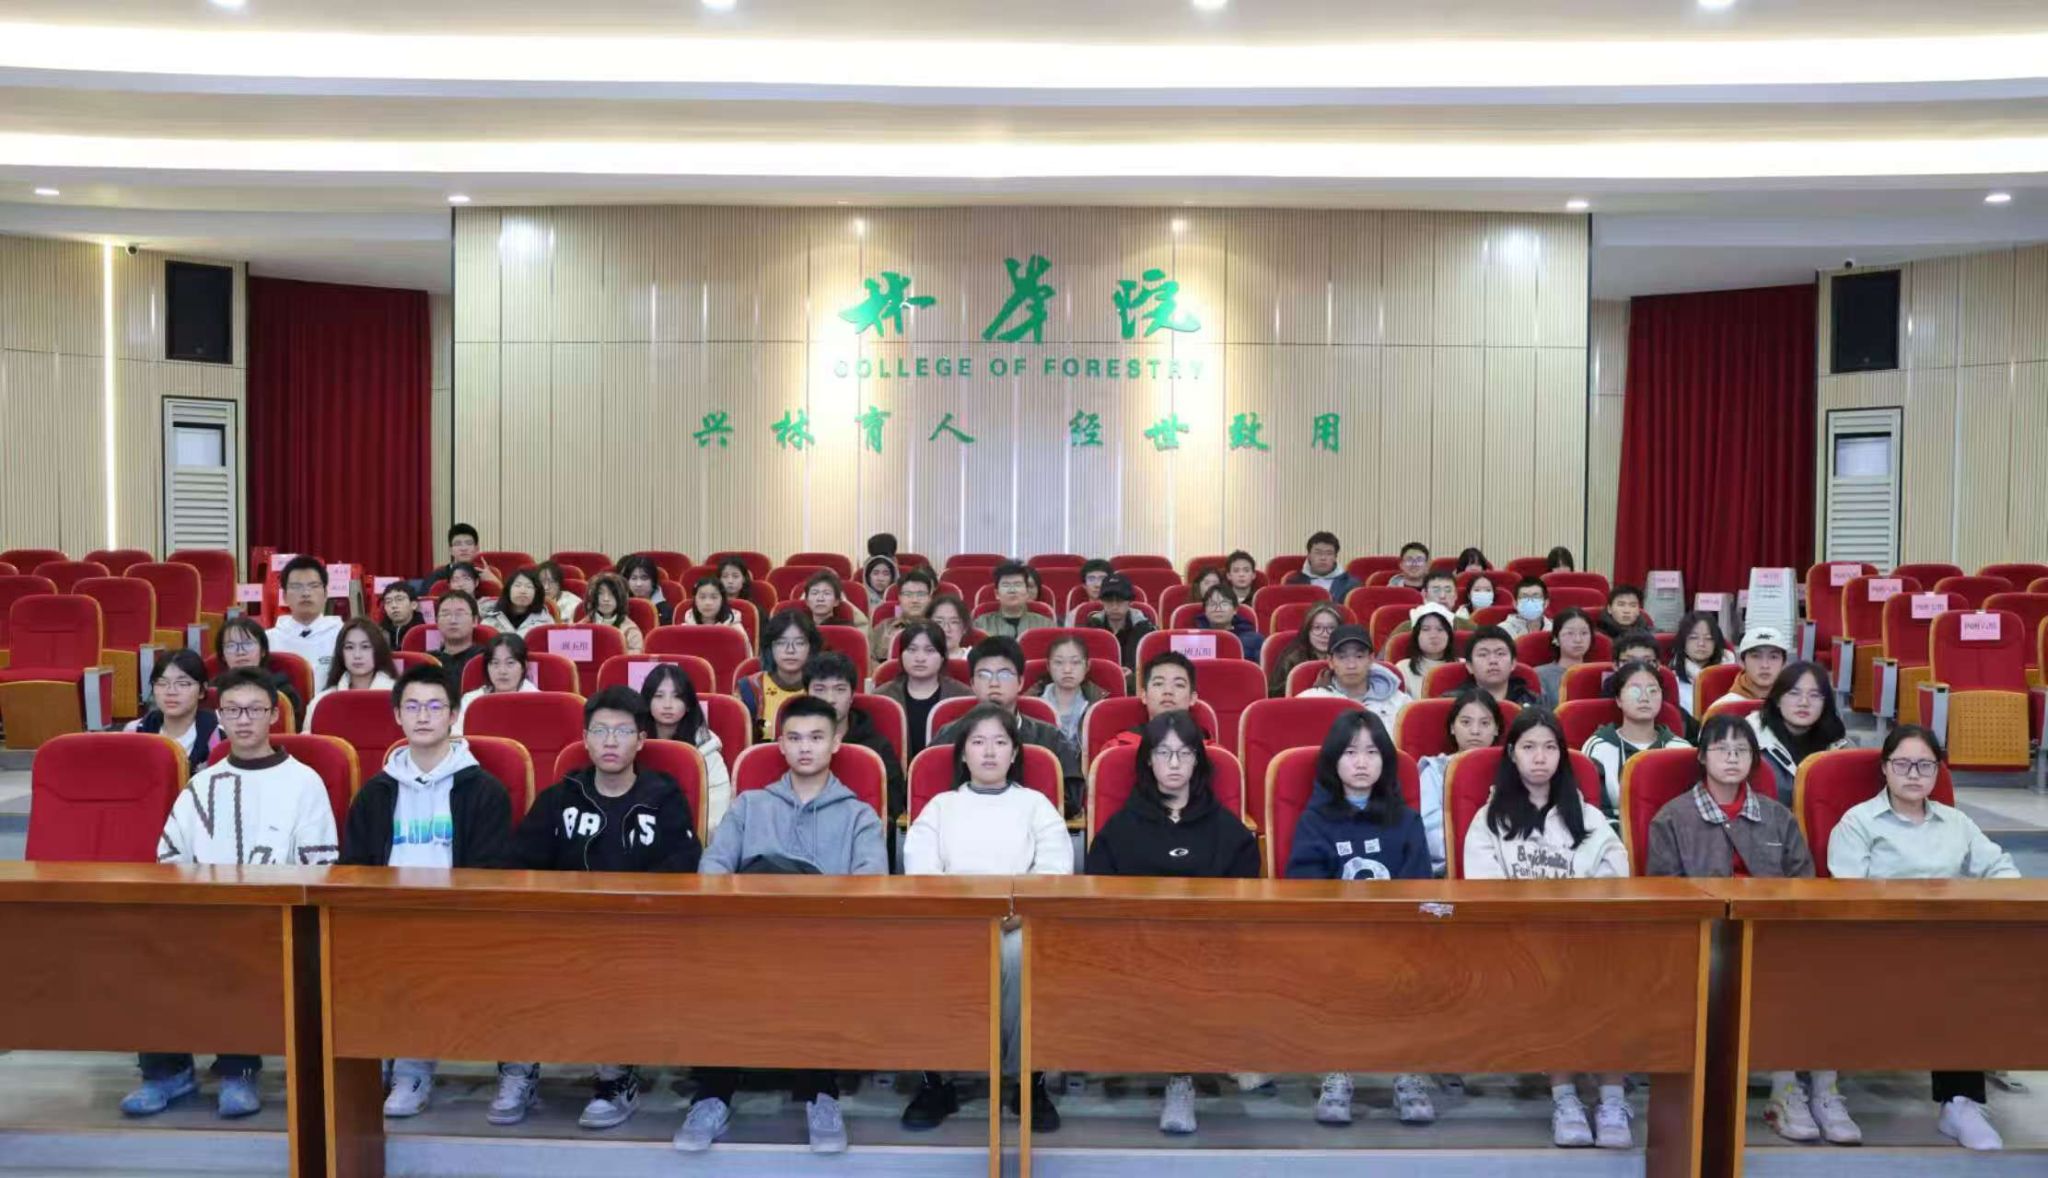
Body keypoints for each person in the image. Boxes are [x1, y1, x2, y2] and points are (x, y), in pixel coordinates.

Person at [127, 669, 338, 1120]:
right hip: (203, 913)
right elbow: (171, 855)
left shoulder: (304, 783)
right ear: (219, 717)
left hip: (276, 917)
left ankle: (238, 1071)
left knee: (237, 950)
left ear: (274, 715)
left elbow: (319, 866)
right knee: (149, 946)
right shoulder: (202, 783)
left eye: (254, 710)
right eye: (233, 711)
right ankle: (166, 1072)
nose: (244, 720)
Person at [682, 696, 886, 1155]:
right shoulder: (750, 805)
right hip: (747, 935)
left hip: (824, 941)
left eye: (816, 738)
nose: (805, 748)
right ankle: (713, 1093)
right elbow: (714, 866)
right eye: (794, 738)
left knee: (813, 969)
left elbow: (870, 885)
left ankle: (820, 1092)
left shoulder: (859, 815)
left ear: (836, 742)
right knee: (715, 960)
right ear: (780, 744)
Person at [494, 687, 700, 1132]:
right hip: (565, 926)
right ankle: (519, 1068)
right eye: (600, 731)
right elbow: (519, 863)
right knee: (513, 948)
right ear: (585, 739)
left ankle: (615, 1077)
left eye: (622, 731)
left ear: (640, 740)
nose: (610, 741)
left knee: (621, 959)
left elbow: (685, 864)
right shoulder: (561, 797)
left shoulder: (663, 797)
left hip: (639, 927)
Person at [1642, 715, 1853, 1144]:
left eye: (1742, 750)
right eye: (1722, 749)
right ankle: (1786, 1089)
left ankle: (1824, 1090)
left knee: (1822, 965)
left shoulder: (1777, 816)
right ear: (1702, 757)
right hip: (1705, 941)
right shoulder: (1673, 818)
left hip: (1774, 937)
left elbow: (1803, 884)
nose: (1732, 757)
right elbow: (1664, 894)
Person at [1828, 725, 2019, 1152]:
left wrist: (2000, 903)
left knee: (1976, 968)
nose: (1914, 774)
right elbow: (1849, 895)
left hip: (1949, 941)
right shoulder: (1858, 822)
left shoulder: (1956, 822)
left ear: (1937, 771)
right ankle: (1960, 1099)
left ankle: (1961, 1103)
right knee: (1955, 974)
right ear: (1884, 768)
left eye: (1925, 765)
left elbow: (2000, 867)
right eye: (1902, 764)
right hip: (1880, 943)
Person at [340, 664, 515, 1118]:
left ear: (454, 715)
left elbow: (492, 873)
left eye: (435, 706)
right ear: (397, 715)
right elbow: (354, 869)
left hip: (459, 920)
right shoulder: (375, 794)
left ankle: (411, 1068)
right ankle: (381, 1055)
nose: (423, 716)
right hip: (386, 918)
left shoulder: (484, 791)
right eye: (413, 706)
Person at [1462, 708, 1630, 1148]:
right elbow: (1486, 894)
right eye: (1529, 747)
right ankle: (1565, 1097)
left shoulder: (1589, 818)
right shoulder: (1489, 820)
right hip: (1520, 943)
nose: (1540, 757)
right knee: (1555, 976)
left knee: (1615, 972)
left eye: (1550, 747)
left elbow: (1615, 879)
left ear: (1562, 756)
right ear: (1512, 754)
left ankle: (1613, 1099)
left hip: (1585, 936)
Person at [900, 704, 1072, 1135]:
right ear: (963, 754)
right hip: (952, 923)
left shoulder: (1035, 805)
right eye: (978, 742)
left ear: (1014, 753)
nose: (989, 752)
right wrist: (963, 917)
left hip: (1020, 921)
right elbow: (922, 871)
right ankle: (936, 1080)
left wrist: (1013, 913)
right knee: (924, 953)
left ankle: (1027, 1079)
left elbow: (1054, 870)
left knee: (1021, 953)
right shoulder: (941, 807)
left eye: (999, 742)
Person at [1084, 709, 1258, 1135]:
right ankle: (1183, 1073)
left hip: (1211, 948)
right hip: (1137, 946)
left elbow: (1246, 903)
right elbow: (1099, 900)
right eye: (1164, 753)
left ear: (1199, 760)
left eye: (1184, 753)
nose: (1174, 763)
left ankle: (1184, 1075)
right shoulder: (1121, 828)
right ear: (1148, 760)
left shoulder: (1228, 830)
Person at [1283, 710, 1434, 1127]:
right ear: (1334, 761)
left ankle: (1409, 1071)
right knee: (1335, 971)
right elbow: (1305, 889)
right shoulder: (1315, 821)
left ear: (1386, 760)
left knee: (1417, 967)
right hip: (1335, 940)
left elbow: (1418, 888)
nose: (1362, 762)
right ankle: (1338, 1069)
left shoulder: (1406, 821)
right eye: (1350, 753)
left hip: (1397, 939)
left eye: (1371, 752)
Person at [933, 637, 1085, 816]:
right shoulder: (948, 735)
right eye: (984, 675)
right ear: (972, 683)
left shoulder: (1050, 737)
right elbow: (928, 791)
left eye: (1004, 674)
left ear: (1020, 682)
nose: (994, 683)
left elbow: (1071, 800)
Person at [804, 650, 907, 820]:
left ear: (852, 696)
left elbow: (891, 808)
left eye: (840, 689)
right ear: (806, 695)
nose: (830, 699)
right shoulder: (795, 745)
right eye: (820, 689)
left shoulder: (877, 748)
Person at [1582, 660, 1689, 818]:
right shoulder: (1598, 747)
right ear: (1618, 699)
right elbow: (1593, 812)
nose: (1644, 698)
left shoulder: (1681, 750)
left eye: (1653, 691)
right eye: (1634, 691)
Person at [1413, 689, 1502, 877]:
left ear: (1496, 729)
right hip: (1449, 870)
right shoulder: (1434, 771)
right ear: (1453, 727)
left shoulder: (1513, 770)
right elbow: (1431, 836)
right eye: (1466, 722)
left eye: (1485, 723)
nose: (1475, 731)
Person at [638, 662, 732, 831]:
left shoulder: (707, 751)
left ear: (688, 704)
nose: (667, 704)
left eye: (677, 696)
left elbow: (716, 818)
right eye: (659, 696)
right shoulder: (634, 745)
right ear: (647, 701)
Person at [1749, 661, 1848, 805]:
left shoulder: (1841, 746)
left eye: (1814, 695)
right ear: (1777, 699)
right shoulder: (1750, 741)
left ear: (1825, 703)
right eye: (1794, 693)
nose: (1804, 703)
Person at [876, 620, 971, 760]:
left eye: (929, 650)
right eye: (912, 650)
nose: (920, 658)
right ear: (901, 655)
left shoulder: (963, 697)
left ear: (942, 656)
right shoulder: (882, 698)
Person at [125, 649, 221, 770]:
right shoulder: (135, 731)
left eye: (182, 684)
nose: (171, 692)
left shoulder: (218, 734)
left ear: (202, 690)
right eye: (162, 683)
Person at [1300, 624, 1411, 727]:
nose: (1351, 665)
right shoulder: (1311, 701)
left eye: (1359, 656)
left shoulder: (1400, 703)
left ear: (1371, 659)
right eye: (1342, 657)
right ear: (1331, 662)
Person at [738, 610, 818, 741]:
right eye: (781, 643)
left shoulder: (823, 688)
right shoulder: (749, 689)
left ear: (811, 648)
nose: (790, 650)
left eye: (799, 643)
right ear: (770, 648)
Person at [303, 617, 397, 730]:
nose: (357, 655)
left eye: (365, 647)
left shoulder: (399, 696)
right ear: (341, 653)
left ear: (378, 650)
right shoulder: (322, 702)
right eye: (349, 647)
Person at [216, 616, 305, 729]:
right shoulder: (214, 691)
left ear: (262, 650)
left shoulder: (283, 691)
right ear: (223, 655)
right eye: (231, 646)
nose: (240, 652)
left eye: (248, 644)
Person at [268, 555, 344, 688]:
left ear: (326, 594)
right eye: (297, 586)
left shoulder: (343, 635)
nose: (306, 593)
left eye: (313, 586)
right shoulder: (268, 639)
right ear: (284, 596)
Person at [1103, 652, 1201, 752]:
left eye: (1179, 685)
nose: (1168, 691)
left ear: (1192, 698)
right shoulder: (1118, 748)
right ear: (1144, 696)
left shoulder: (1206, 749)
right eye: (1158, 684)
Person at [454, 633, 539, 733]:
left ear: (524, 666)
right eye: (495, 663)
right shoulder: (471, 701)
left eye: (510, 663)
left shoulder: (537, 702)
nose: (502, 671)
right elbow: (456, 737)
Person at [1035, 633, 1105, 747]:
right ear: (1048, 666)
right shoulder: (1033, 704)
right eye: (1058, 662)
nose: (1067, 670)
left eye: (1075, 662)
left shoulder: (1099, 704)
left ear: (1087, 666)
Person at [1082, 574, 1156, 672]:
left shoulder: (1146, 629)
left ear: (1129, 601)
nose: (1115, 606)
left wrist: (1134, 674)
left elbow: (1155, 663)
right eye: (1109, 600)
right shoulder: (1091, 627)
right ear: (1102, 601)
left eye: (1120, 600)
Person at [1269, 602, 1342, 696]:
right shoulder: (1292, 659)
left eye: (1331, 628)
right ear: (1307, 630)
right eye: (1317, 628)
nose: (1324, 634)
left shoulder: (1349, 660)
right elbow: (1275, 696)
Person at [1670, 610, 1733, 716]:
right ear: (1683, 641)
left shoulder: (1732, 677)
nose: (1701, 644)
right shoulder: (1672, 680)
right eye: (1694, 638)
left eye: (1708, 638)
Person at [974, 560, 1053, 638]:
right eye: (1006, 585)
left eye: (1017, 584)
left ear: (1027, 592)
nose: (1012, 590)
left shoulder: (1045, 624)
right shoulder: (981, 624)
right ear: (997, 594)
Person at [1535, 607, 1597, 706]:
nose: (1578, 640)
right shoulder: (1539, 675)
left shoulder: (1598, 673)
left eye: (1584, 633)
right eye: (1570, 633)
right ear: (1556, 638)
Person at [1714, 627, 1789, 709]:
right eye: (1756, 656)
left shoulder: (1794, 706)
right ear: (1742, 662)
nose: (1765, 665)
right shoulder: (1724, 707)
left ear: (1784, 664)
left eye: (1773, 657)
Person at [1465, 625, 1539, 706]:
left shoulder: (1533, 701)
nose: (1493, 661)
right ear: (1469, 666)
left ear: (1513, 663)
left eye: (1500, 653)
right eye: (1483, 654)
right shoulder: (1457, 704)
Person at [431, 589, 487, 695]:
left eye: (460, 614)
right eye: (445, 614)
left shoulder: (486, 659)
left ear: (475, 621)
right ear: (437, 621)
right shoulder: (428, 660)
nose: (453, 620)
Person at [871, 567, 935, 657]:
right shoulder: (883, 628)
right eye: (908, 594)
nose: (914, 600)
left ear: (929, 598)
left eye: (920, 594)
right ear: (900, 598)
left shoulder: (939, 629)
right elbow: (870, 659)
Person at [1399, 603, 1458, 699]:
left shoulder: (1462, 665)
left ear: (1449, 636)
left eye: (1440, 629)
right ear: (1416, 635)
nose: (1433, 635)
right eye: (1426, 629)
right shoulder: (1403, 668)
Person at [1194, 583, 1262, 661]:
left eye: (1224, 604)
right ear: (1205, 611)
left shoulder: (1253, 640)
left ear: (1235, 610)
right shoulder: (1194, 639)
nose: (1218, 609)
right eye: (1212, 604)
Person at [582, 572, 646, 654]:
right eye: (600, 593)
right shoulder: (582, 625)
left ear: (620, 597)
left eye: (612, 594)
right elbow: (571, 656)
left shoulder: (630, 630)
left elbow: (634, 657)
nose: (606, 599)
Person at [1286, 531, 1361, 601]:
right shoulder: (1294, 583)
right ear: (1309, 556)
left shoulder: (1352, 585)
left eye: (1329, 553)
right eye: (1318, 553)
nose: (1323, 558)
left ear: (1335, 557)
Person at [1393, 571, 1474, 634]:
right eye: (1436, 590)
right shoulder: (1406, 629)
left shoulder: (1468, 628)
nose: (1442, 596)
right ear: (1424, 594)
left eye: (1448, 590)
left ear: (1455, 595)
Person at [479, 568, 548, 637]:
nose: (523, 591)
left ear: (536, 593)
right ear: (508, 590)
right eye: (517, 585)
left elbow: (554, 643)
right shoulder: (490, 618)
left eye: (529, 587)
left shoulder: (546, 621)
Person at [414, 522, 481, 593]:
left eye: (469, 543)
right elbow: (425, 599)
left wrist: (489, 581)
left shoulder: (482, 574)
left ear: (476, 548)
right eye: (458, 544)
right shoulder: (438, 576)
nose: (464, 548)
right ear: (450, 550)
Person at [615, 555, 674, 627]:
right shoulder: (618, 605)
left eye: (644, 578)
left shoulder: (665, 610)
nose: (638, 584)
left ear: (653, 581)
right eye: (634, 578)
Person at [802, 568, 868, 630]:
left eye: (826, 593)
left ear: (836, 601)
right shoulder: (800, 627)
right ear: (807, 601)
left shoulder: (846, 628)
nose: (820, 599)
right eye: (815, 593)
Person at [681, 576, 747, 637]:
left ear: (722, 600)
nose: (708, 603)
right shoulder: (685, 628)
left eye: (714, 597)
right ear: (695, 600)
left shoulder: (735, 630)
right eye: (702, 597)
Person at [379, 580, 425, 652]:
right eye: (388, 602)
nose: (394, 605)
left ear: (414, 605)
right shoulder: (378, 633)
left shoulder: (425, 632)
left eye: (399, 599)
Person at [928, 593, 975, 658]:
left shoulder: (977, 658)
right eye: (939, 622)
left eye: (954, 622)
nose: (946, 629)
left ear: (965, 628)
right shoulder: (918, 658)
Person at [536, 559, 581, 623]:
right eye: (541, 582)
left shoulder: (573, 603)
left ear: (559, 583)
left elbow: (578, 629)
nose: (546, 587)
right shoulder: (531, 601)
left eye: (551, 582)